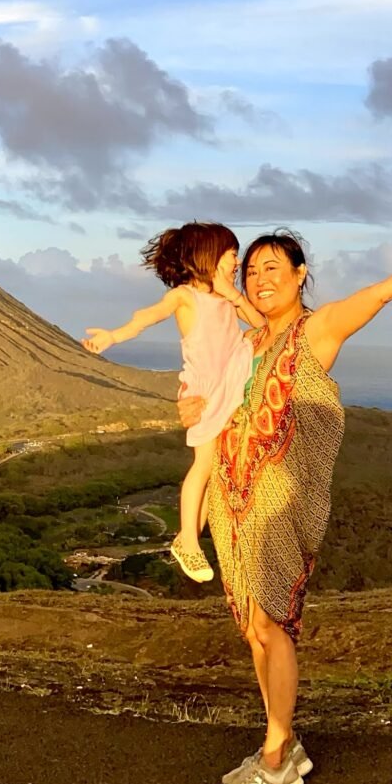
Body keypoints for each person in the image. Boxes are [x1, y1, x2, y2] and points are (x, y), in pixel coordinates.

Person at [206, 220, 392, 784]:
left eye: (273, 269)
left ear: (299, 275)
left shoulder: (318, 329)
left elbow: (381, 294)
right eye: (251, 271)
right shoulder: (247, 342)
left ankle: (275, 757)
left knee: (273, 624)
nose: (260, 280)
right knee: (255, 629)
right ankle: (282, 742)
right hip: (231, 501)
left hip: (279, 501)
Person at [82, 222, 261, 583]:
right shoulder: (185, 297)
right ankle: (190, 541)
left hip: (234, 387)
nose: (237, 263)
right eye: (231, 255)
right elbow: (147, 317)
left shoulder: (227, 298)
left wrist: (233, 294)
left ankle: (186, 539)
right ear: (207, 256)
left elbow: (262, 325)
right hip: (206, 394)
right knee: (204, 465)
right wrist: (114, 336)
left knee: (218, 471)